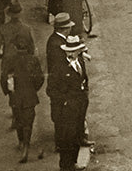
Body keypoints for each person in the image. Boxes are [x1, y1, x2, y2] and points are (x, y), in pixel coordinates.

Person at [1, 34, 45, 163]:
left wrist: (8, 91)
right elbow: (40, 78)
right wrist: (33, 89)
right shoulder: (33, 60)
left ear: (15, 47)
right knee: (28, 122)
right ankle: (26, 145)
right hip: (29, 96)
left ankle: (21, 141)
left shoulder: (10, 60)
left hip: (15, 96)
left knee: (18, 119)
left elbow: (3, 78)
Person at [51, 35, 91, 171]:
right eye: (69, 51)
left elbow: (84, 79)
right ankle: (65, 165)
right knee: (67, 138)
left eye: (74, 51)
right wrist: (65, 102)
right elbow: (51, 89)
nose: (72, 53)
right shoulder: (59, 68)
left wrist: (85, 94)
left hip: (80, 105)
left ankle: (73, 162)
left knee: (77, 136)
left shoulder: (80, 62)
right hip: (67, 109)